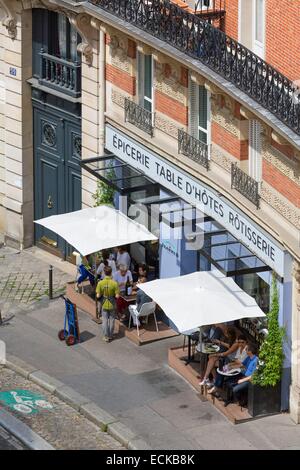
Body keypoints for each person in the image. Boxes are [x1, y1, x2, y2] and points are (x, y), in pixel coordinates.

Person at [96, 266, 120, 343]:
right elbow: (117, 296)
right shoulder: (114, 283)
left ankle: (106, 336)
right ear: (111, 272)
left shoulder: (100, 283)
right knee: (112, 320)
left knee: (105, 320)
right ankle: (111, 335)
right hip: (112, 303)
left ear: (104, 272)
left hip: (104, 303)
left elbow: (98, 296)